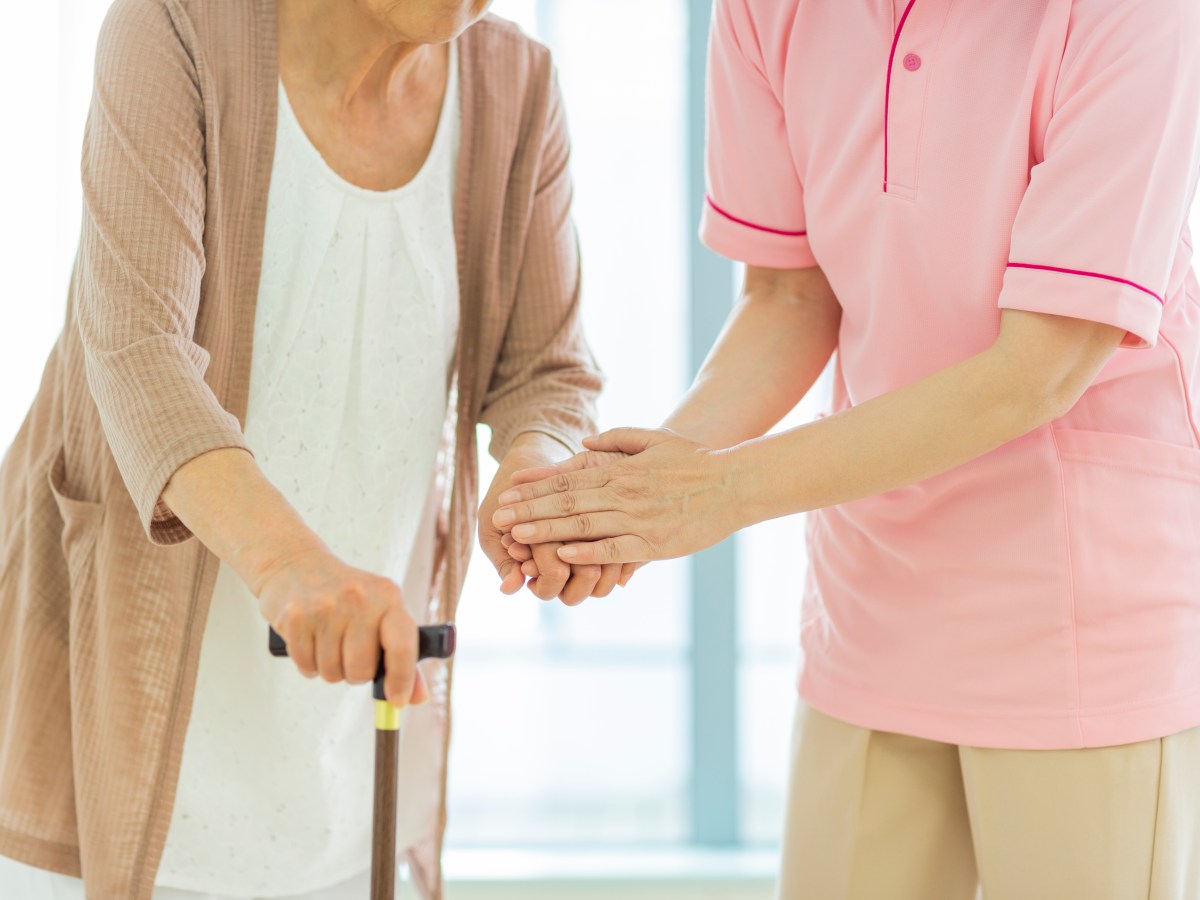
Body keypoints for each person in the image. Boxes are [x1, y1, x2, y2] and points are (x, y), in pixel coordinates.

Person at [495, 0, 1200, 897]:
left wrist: (714, 494)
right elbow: (789, 301)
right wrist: (620, 496)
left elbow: (1040, 369)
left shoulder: (1133, 14)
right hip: (873, 600)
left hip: (1082, 618)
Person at [0, 0, 611, 897]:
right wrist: (293, 566)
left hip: (338, 776)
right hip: (105, 743)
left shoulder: (518, 87)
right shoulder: (174, 28)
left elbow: (548, 373)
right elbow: (137, 352)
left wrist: (535, 478)